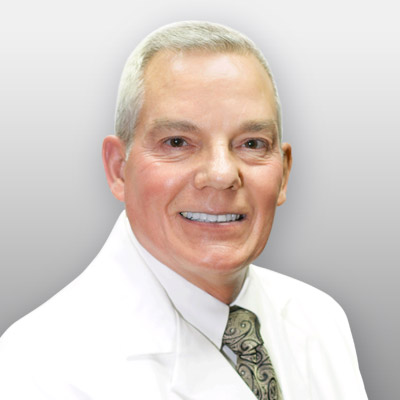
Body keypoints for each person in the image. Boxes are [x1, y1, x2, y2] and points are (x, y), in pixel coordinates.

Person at [0, 21, 368, 399]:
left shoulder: (321, 318)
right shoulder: (38, 369)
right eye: (177, 142)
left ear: (284, 173)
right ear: (118, 169)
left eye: (252, 143)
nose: (222, 175)